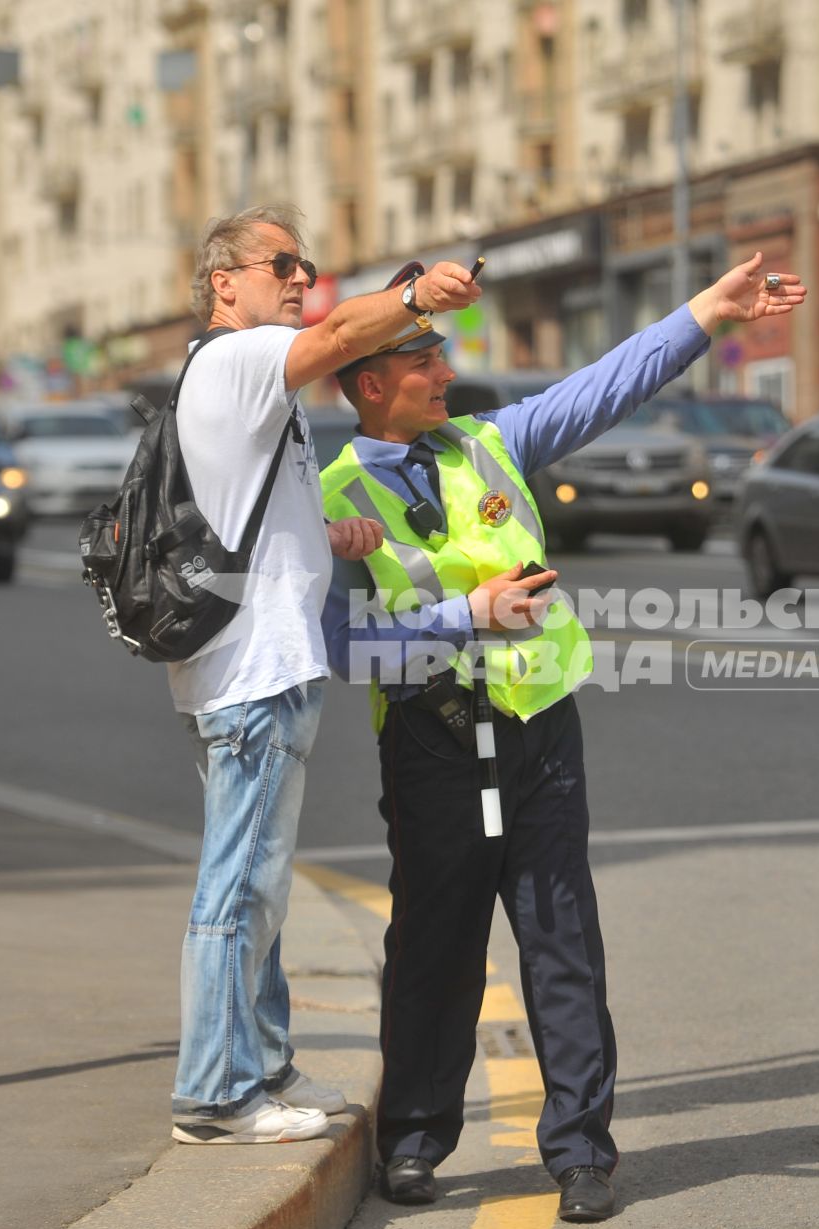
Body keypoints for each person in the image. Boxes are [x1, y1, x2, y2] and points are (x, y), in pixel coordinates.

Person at [319, 255, 806, 1219]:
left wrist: (707, 312)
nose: (447, 374)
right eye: (425, 362)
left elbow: (605, 385)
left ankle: (582, 1151)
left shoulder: (489, 444)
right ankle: (414, 1143)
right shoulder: (331, 499)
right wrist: (470, 616)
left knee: (562, 942)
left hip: (540, 734)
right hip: (432, 743)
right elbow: (344, 651)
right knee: (433, 947)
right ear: (371, 381)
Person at [165, 206, 481, 1146]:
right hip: (254, 677)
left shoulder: (250, 378)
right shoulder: (239, 360)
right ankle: (216, 1096)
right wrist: (415, 294)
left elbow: (244, 517)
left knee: (260, 880)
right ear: (225, 280)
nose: (302, 279)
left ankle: (262, 1066)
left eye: (307, 265)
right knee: (239, 887)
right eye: (282, 264)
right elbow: (343, 334)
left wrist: (327, 535)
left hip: (256, 668)